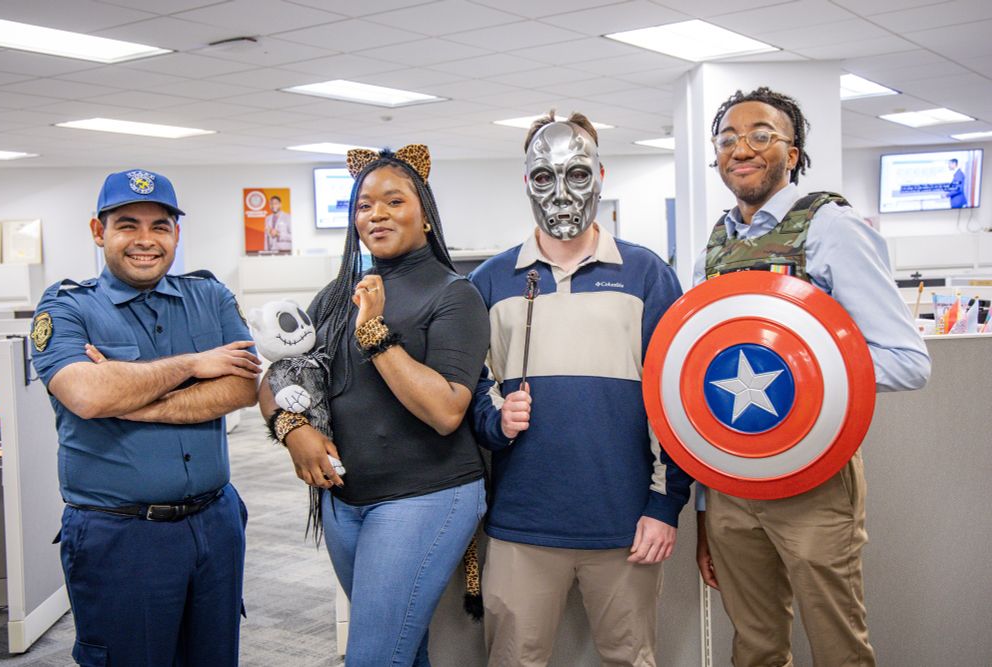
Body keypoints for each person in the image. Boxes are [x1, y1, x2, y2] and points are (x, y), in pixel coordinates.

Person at [693, 87, 931, 667]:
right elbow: (696, 380)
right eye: (727, 139)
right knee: (754, 647)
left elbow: (907, 359)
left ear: (792, 154)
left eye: (761, 135)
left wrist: (807, 376)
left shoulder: (832, 227)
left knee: (838, 649)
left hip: (813, 485)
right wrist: (704, 507)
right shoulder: (715, 246)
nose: (741, 148)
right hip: (730, 486)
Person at [469, 112, 690, 667]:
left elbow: (674, 397)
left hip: (624, 523)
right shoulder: (490, 280)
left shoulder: (646, 274)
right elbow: (469, 388)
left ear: (601, 175)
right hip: (522, 521)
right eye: (544, 178)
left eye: (578, 174)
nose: (562, 193)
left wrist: (666, 505)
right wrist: (496, 419)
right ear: (526, 183)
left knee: (630, 659)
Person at [259, 145, 490, 666]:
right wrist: (291, 427)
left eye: (393, 201)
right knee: (401, 653)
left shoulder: (456, 295)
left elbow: (447, 409)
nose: (377, 214)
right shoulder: (335, 296)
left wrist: (375, 335)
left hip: (426, 495)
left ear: (425, 214)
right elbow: (276, 378)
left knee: (371, 657)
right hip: (346, 502)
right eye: (364, 206)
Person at [30, 169, 260, 666]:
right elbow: (87, 396)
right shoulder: (67, 306)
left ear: (176, 234)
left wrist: (130, 394)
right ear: (99, 231)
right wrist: (195, 365)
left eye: (160, 226)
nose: (145, 240)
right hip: (123, 535)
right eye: (127, 224)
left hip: (215, 523)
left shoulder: (210, 296)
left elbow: (244, 386)